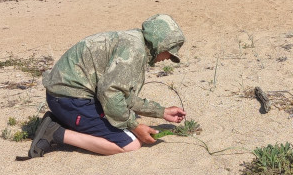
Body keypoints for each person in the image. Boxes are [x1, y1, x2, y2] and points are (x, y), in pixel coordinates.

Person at [27, 14, 187, 158]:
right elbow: (111, 94)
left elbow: (123, 96)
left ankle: (65, 120)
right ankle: (56, 132)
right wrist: (135, 126)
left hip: (64, 95)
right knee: (130, 144)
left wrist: (161, 112)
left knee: (121, 117)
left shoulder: (133, 41)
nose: (168, 58)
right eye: (169, 53)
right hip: (68, 98)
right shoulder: (134, 52)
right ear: (159, 45)